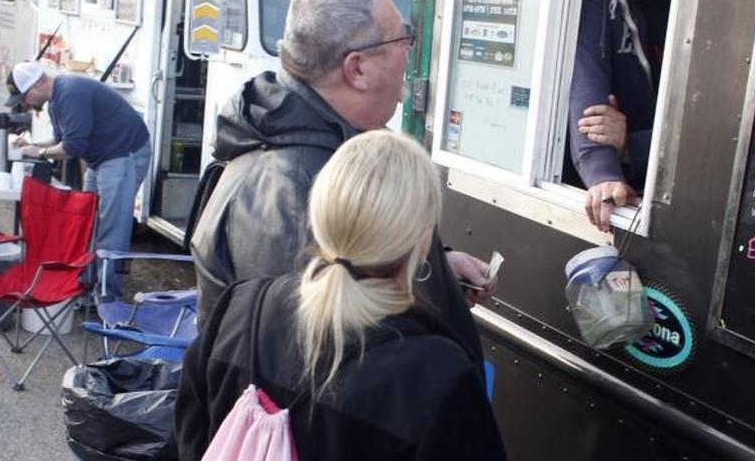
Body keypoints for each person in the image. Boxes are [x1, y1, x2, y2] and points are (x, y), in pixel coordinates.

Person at [188, 0, 495, 357]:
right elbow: (321, 363)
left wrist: (433, 265)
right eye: (403, 38)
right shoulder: (300, 189)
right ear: (358, 68)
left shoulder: (324, 157)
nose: (409, 52)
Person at [175, 131, 508, 461]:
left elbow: (191, 440)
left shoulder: (239, 309)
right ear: (423, 242)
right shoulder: (439, 377)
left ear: (320, 216)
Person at [568, 0, 685, 231]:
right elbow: (587, 74)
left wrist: (634, 145)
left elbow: (709, 128)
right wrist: (603, 171)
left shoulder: (703, 2)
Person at [6, 61, 150, 298]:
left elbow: (73, 147)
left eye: (23, 98)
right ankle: (86, 288)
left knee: (111, 228)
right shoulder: (55, 101)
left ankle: (108, 297)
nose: (23, 105)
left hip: (124, 154)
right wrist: (33, 146)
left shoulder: (71, 93)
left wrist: (38, 153)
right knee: (87, 222)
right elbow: (61, 140)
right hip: (100, 157)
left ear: (36, 86)